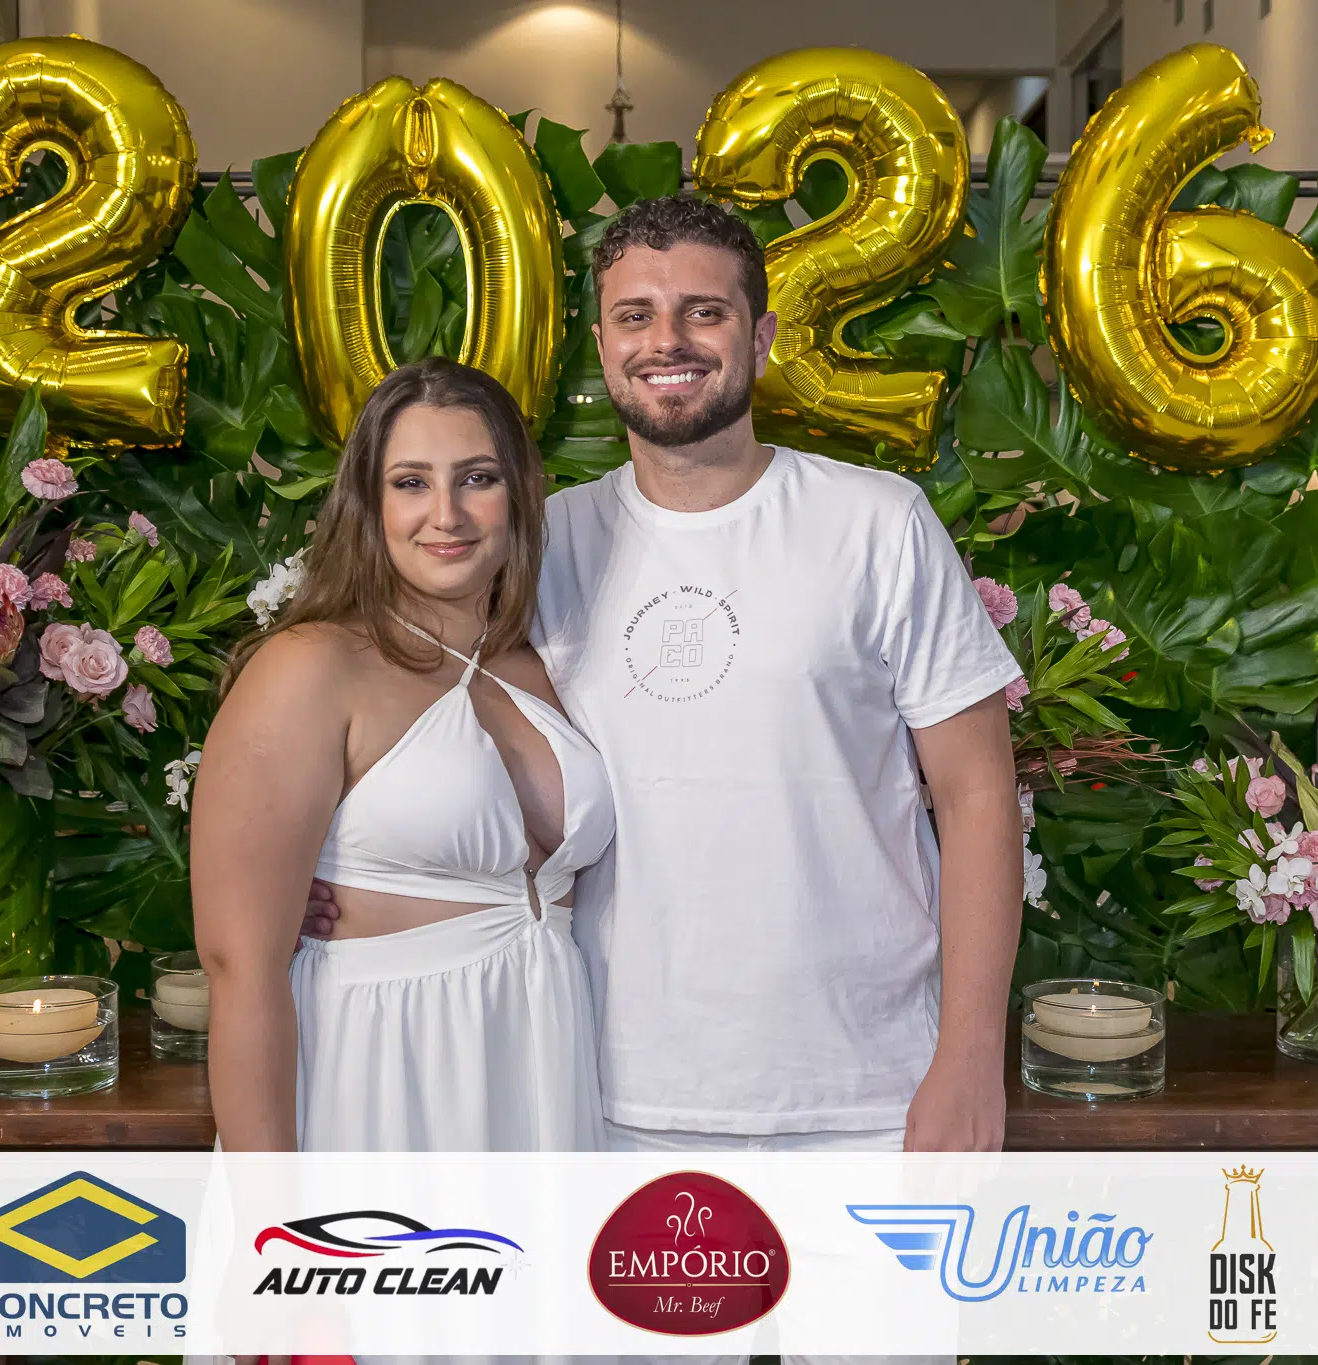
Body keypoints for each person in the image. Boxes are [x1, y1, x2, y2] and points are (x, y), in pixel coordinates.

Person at [309, 194, 1026, 1172]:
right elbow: (391, 709)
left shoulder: (876, 523)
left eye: (705, 311)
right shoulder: (539, 544)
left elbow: (978, 793)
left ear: (760, 336)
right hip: (608, 1091)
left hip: (869, 1093)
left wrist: (970, 1056)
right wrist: (323, 877)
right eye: (635, 315)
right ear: (602, 345)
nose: (667, 342)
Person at [191, 357, 614, 1153]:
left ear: (523, 494)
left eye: (477, 478)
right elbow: (239, 966)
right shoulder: (310, 667)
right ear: (369, 502)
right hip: (377, 1078)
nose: (445, 514)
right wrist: (273, 1209)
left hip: (539, 1071)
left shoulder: (548, 662)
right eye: (411, 482)